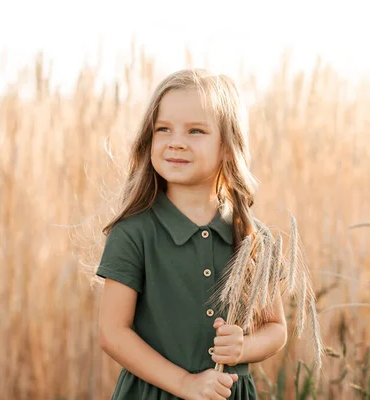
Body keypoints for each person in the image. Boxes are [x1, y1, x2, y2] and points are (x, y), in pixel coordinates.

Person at [96, 68, 288, 399]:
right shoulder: (134, 232)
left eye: (195, 131)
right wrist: (185, 383)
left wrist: (242, 347)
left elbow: (276, 329)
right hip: (154, 393)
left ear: (228, 146)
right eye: (163, 129)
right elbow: (113, 332)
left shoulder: (253, 237)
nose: (176, 142)